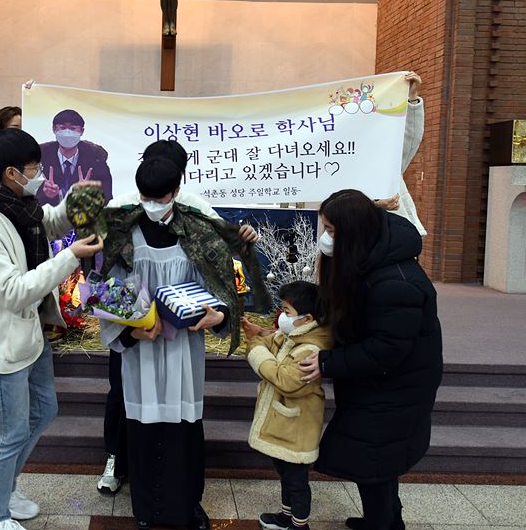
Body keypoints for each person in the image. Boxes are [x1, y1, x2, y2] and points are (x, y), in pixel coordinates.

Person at [99, 157, 267, 530]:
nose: (151, 205)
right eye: (145, 197)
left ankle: (187, 505)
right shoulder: (123, 234)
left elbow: (221, 287)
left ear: (176, 192)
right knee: (143, 429)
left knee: (184, 431)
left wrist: (219, 316)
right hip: (142, 352)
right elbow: (108, 290)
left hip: (183, 350)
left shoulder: (198, 232)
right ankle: (146, 510)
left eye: (159, 198)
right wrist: (130, 332)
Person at [0, 128, 104, 530]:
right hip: (3, 343)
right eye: (33, 168)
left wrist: (72, 202)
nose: (39, 175)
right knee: (8, 433)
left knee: (44, 410)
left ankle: (0, 488)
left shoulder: (18, 204)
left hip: (31, 332)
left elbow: (48, 224)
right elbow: (12, 292)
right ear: (10, 173)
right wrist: (70, 258)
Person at [298, 189, 443, 530]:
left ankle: (381, 523)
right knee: (380, 459)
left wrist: (327, 363)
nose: (325, 238)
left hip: (397, 385)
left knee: (373, 462)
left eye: (331, 230)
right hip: (377, 381)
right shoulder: (370, 256)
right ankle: (389, 521)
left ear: (352, 233)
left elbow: (386, 349)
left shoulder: (395, 283)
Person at [241, 281, 332, 530]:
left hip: (297, 428)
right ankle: (286, 516)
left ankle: (300, 524)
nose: (282, 316)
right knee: (284, 472)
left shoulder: (311, 347)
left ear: (307, 318)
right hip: (286, 426)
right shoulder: (295, 334)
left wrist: (256, 348)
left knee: (296, 480)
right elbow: (273, 342)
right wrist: (259, 335)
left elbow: (285, 380)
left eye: (287, 311)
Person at [375, 72, 426, 236]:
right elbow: (338, 204)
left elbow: (410, 138)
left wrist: (412, 98)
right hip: (360, 237)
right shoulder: (339, 161)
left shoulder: (383, 156)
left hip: (399, 234)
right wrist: (374, 205)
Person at [38, 109, 113, 207]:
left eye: (73, 128)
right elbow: (29, 200)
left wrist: (88, 197)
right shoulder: (39, 161)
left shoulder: (97, 162)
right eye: (62, 128)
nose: (67, 133)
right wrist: (47, 195)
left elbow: (107, 201)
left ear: (82, 131)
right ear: (54, 129)